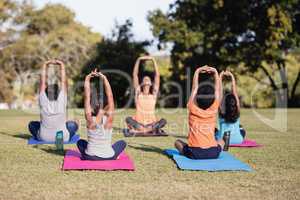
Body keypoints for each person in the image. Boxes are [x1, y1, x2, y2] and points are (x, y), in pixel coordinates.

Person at [174, 66, 229, 159]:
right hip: (213, 152)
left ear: (197, 97)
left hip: (195, 153)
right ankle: (224, 141)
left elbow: (194, 88)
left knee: (177, 143)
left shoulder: (192, 107)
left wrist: (197, 71)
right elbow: (218, 91)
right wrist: (215, 72)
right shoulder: (214, 108)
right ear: (213, 99)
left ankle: (220, 142)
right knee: (220, 141)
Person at [77, 69, 126, 160]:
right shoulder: (109, 118)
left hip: (90, 156)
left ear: (92, 106)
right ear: (106, 104)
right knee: (122, 143)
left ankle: (92, 153)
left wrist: (87, 79)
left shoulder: (89, 118)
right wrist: (104, 78)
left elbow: (87, 97)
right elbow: (110, 96)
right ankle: (108, 151)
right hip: (108, 156)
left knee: (80, 142)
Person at [28, 60, 78, 142]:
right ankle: (58, 135)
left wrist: (45, 65)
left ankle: (48, 133)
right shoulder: (62, 99)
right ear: (59, 93)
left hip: (43, 137)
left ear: (45, 93)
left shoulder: (43, 99)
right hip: (61, 137)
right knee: (74, 123)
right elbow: (63, 82)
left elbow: (42, 82)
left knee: (32, 124)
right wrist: (61, 65)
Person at [125, 56, 167, 136]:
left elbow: (157, 76)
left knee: (163, 121)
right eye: (145, 79)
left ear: (151, 84)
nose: (147, 79)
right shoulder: (138, 94)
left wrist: (153, 60)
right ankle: (149, 131)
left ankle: (140, 131)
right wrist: (138, 60)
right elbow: (135, 75)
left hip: (151, 124)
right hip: (139, 124)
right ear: (142, 83)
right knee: (128, 119)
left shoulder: (153, 95)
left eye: (148, 79)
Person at [216, 70, 245, 144]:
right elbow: (234, 92)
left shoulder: (221, 111)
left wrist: (220, 77)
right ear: (235, 104)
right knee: (242, 129)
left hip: (223, 140)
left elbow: (220, 93)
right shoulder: (237, 111)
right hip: (238, 140)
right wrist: (232, 76)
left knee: (213, 130)